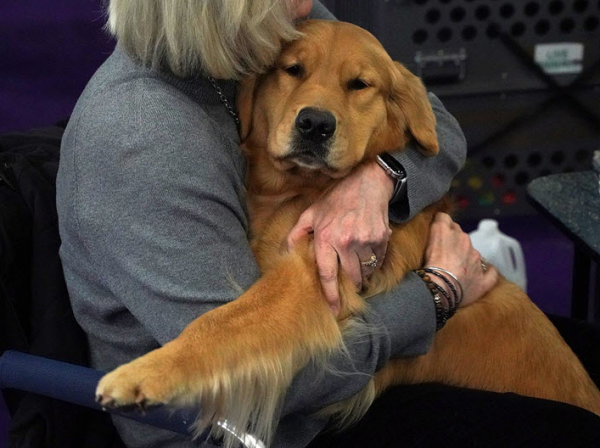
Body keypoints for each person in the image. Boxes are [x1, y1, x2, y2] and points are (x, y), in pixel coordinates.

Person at [56, 1, 600, 447]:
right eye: (292, 71)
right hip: (250, 427)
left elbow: (438, 128)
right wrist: (437, 294)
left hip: (340, 378)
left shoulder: (279, 22)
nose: (310, 0)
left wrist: (381, 179)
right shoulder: (147, 133)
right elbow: (287, 383)